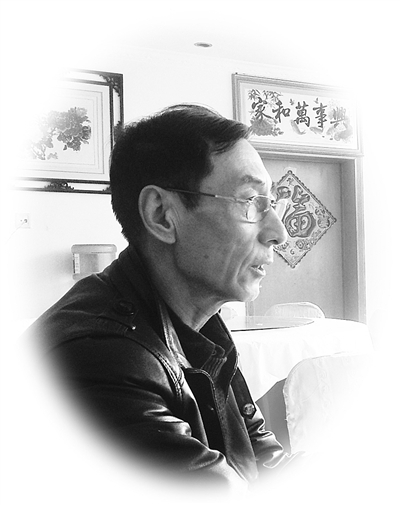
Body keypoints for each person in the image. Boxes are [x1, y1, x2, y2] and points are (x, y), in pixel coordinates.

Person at [28, 103, 295, 493]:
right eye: (249, 200)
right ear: (162, 215)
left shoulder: (202, 325)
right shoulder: (101, 358)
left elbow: (264, 459)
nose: (278, 233)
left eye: (272, 203)